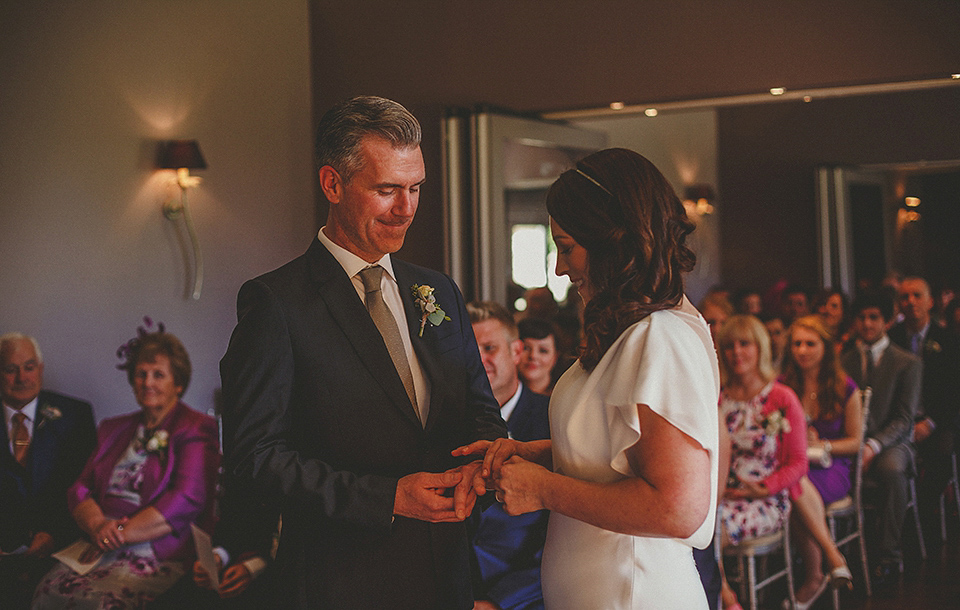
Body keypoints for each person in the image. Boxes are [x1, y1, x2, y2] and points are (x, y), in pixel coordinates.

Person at [219, 96, 506, 610]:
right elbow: (254, 459)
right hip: (344, 581)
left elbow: (481, 410)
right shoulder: (276, 304)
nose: (407, 207)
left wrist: (481, 464)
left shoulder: (437, 291)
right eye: (387, 190)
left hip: (448, 572)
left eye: (415, 187)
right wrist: (387, 498)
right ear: (332, 184)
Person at [456, 148, 720, 608]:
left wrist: (544, 489)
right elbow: (618, 454)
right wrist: (533, 452)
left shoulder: (662, 336)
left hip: (635, 593)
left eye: (567, 247)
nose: (560, 267)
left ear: (612, 242)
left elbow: (677, 507)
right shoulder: (630, 330)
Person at [33, 324, 219, 609]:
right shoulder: (113, 428)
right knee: (47, 590)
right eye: (141, 374)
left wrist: (118, 533)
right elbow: (80, 487)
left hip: (155, 550)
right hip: (99, 542)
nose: (147, 382)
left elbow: (187, 499)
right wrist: (96, 525)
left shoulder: (196, 427)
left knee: (105, 603)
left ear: (178, 383)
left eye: (158, 374)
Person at [714, 315, 807, 610]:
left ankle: (725, 601)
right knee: (694, 525)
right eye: (729, 346)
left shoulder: (781, 397)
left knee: (710, 531)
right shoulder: (718, 398)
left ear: (760, 348)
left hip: (766, 499)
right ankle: (725, 596)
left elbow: (798, 463)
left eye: (745, 344)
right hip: (724, 495)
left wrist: (763, 488)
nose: (736, 352)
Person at [0, 334, 96, 608]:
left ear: (40, 370)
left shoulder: (75, 415)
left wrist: (55, 535)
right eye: (10, 369)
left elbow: (88, 488)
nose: (21, 377)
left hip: (58, 550)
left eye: (29, 367)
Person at [467, 301, 550, 610]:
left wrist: (501, 601)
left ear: (516, 352)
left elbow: (567, 527)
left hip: (528, 597)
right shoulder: (445, 424)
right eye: (471, 350)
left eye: (489, 348)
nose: (479, 360)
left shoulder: (550, 420)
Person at [839, 291, 922, 586]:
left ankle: (889, 554)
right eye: (861, 317)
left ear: (886, 321)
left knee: (891, 469)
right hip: (851, 437)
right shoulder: (844, 359)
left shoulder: (907, 362)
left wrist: (873, 445)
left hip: (892, 441)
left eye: (874, 317)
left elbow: (904, 419)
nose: (867, 324)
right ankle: (839, 550)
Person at [779, 315, 860, 606]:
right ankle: (832, 555)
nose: (802, 350)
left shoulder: (844, 387)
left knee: (794, 483)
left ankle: (814, 577)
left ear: (825, 347)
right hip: (794, 464)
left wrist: (821, 443)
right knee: (794, 479)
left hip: (831, 467)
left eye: (810, 344)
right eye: (797, 343)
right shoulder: (782, 385)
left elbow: (855, 442)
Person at [888, 276, 960, 548]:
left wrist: (930, 422)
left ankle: (924, 519)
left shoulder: (948, 341)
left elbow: (954, 390)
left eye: (917, 295)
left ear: (930, 302)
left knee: (941, 452)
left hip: (938, 420)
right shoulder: (892, 339)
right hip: (899, 420)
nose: (911, 302)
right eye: (905, 297)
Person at [517, 318, 562, 396]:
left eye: (543, 350)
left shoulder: (563, 397)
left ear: (555, 356)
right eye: (526, 348)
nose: (533, 356)